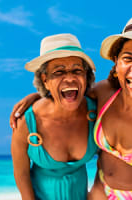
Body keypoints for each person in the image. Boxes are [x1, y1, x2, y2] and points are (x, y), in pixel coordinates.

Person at [11, 14, 132, 200]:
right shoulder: (103, 93)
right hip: (100, 191)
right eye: (128, 58)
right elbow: (68, 92)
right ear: (116, 61)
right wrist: (37, 96)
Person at [11, 33, 99, 200]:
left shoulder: (97, 112)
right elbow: (21, 173)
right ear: (45, 80)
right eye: (59, 72)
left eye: (77, 70)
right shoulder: (27, 122)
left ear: (86, 77)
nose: (70, 78)